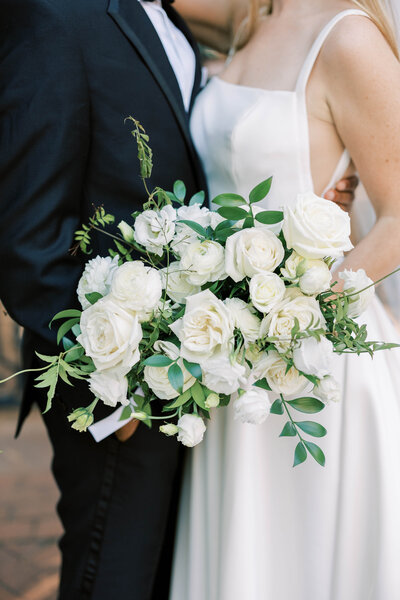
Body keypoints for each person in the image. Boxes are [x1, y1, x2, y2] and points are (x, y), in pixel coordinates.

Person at [0, 0, 358, 597]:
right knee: (111, 576)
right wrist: (117, 391)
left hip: (192, 370)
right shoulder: (55, 14)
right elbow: (25, 238)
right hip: (121, 392)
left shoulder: (173, 17)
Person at [169, 1, 400, 599]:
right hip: (227, 361)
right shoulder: (246, 26)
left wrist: (296, 318)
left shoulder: (347, 38)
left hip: (316, 367)